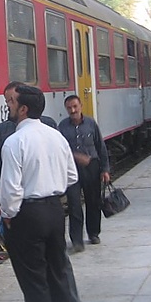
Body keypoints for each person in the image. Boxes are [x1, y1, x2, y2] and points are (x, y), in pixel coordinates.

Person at [0, 82, 90, 302]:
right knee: (57, 272)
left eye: (11, 102)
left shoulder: (14, 141)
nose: (7, 106)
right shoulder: (54, 134)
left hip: (27, 213)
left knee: (34, 280)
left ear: (23, 108)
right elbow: (70, 177)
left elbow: (10, 187)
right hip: (55, 210)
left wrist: (8, 214)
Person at [58, 95, 110, 252]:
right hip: (72, 169)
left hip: (92, 167)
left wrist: (105, 169)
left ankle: (94, 233)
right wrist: (75, 156)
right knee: (74, 204)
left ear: (81, 106)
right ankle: (77, 240)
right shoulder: (63, 127)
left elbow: (100, 146)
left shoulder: (91, 123)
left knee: (93, 201)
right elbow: (60, 149)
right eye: (69, 108)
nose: (72, 110)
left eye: (75, 106)